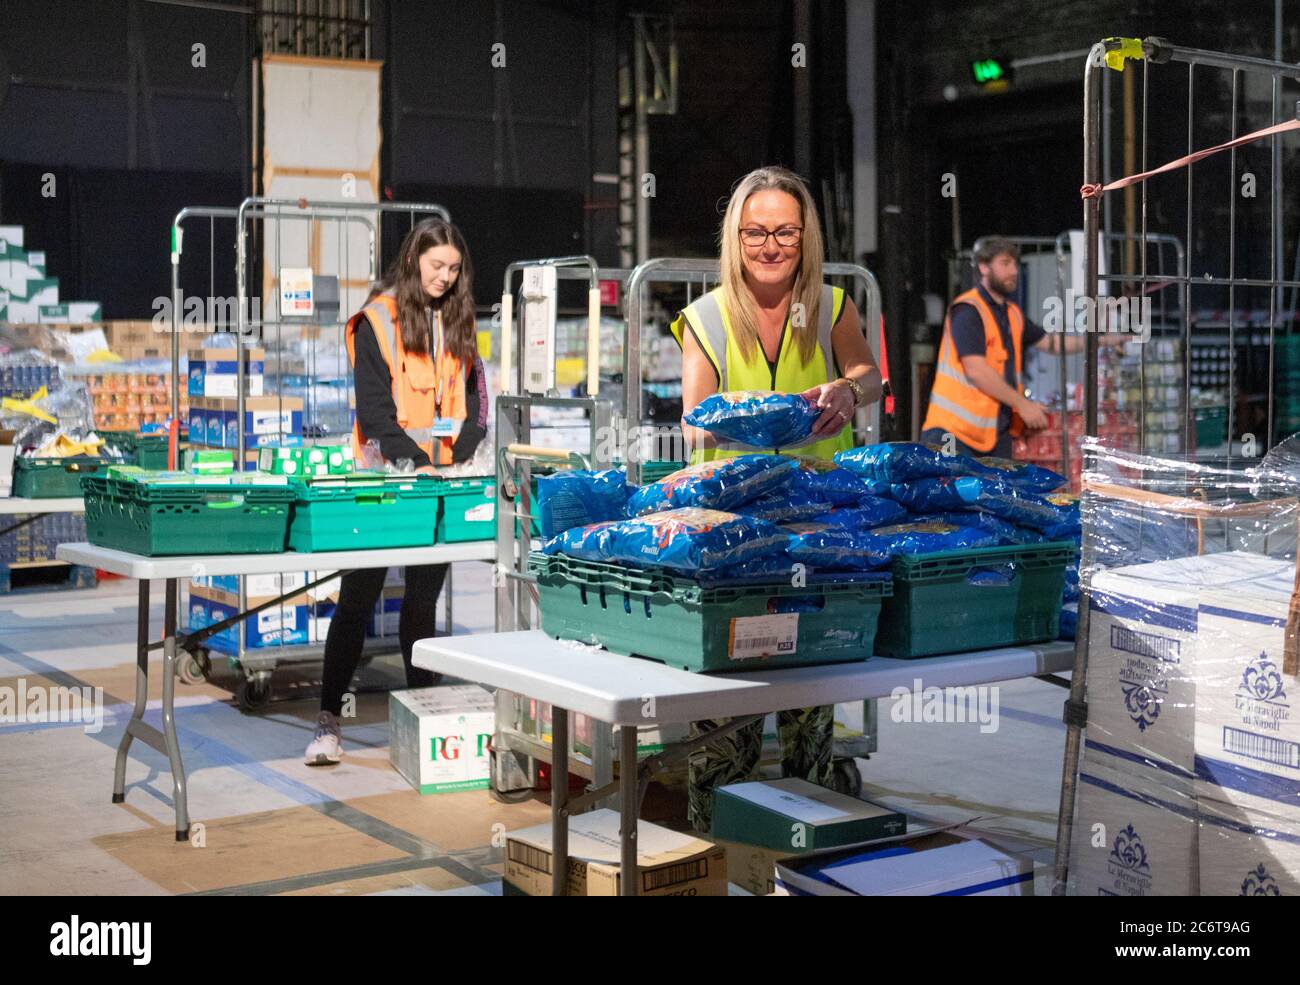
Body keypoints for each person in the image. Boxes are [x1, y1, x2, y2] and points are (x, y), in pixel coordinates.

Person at [671, 165, 883, 831]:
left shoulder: (832, 305)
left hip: (816, 528)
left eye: (784, 232)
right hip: (731, 538)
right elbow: (693, 416)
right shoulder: (705, 318)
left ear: (805, 234)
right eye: (755, 231)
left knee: (809, 697)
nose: (769, 245)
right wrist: (746, 414)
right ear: (735, 236)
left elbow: (867, 375)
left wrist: (850, 390)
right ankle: (715, 848)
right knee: (728, 703)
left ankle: (804, 850)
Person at [305, 218, 488, 765]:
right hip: (384, 488)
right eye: (437, 267)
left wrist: (456, 456)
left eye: (454, 270)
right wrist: (417, 462)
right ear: (413, 261)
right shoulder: (376, 323)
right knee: (357, 600)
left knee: (422, 603)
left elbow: (476, 402)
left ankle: (424, 715)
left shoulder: (459, 322)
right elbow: (376, 414)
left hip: (442, 485)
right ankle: (328, 722)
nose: (445, 278)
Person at [921, 235, 1115, 457]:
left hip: (993, 433)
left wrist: (1103, 340)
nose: (1013, 270)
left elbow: (1052, 343)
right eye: (1005, 263)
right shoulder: (968, 311)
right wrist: (1022, 405)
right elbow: (977, 371)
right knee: (957, 492)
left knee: (997, 491)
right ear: (983, 268)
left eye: (1014, 263)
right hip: (953, 434)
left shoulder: (1012, 313)